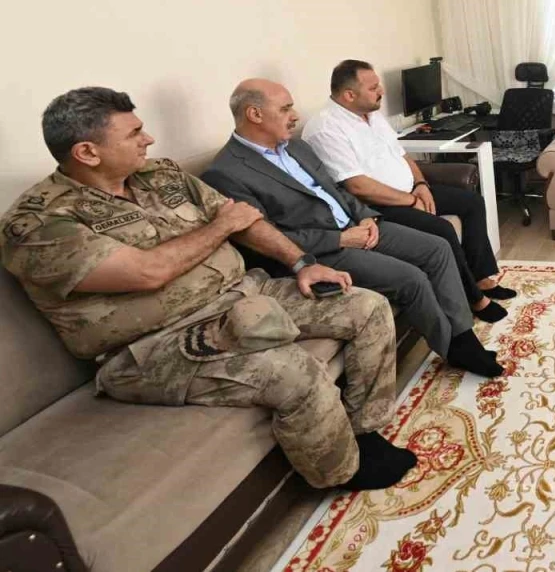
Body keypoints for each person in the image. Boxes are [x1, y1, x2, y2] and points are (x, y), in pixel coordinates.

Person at [1, 87, 414, 491]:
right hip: (153, 346)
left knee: (368, 307)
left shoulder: (160, 174)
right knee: (293, 371)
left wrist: (302, 263)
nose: (149, 139)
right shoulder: (40, 223)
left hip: (241, 293)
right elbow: (147, 273)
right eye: (134, 134)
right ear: (88, 152)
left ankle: (363, 433)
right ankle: (341, 473)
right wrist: (221, 227)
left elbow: (244, 219)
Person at [202, 79, 503, 378]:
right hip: (323, 250)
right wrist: (341, 238)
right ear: (255, 114)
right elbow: (269, 237)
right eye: (285, 109)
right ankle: (454, 348)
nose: (294, 116)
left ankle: (463, 334)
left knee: (437, 248)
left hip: (357, 226)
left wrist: (366, 217)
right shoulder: (226, 173)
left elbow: (337, 190)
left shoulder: (295, 146)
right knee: (411, 278)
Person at [302, 60, 514, 319]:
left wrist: (421, 185)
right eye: (373, 88)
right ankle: (474, 299)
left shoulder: (372, 115)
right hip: (376, 207)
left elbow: (402, 154)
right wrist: (410, 201)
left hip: (408, 192)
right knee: (442, 229)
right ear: (349, 95)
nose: (381, 91)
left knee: (471, 202)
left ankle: (481, 278)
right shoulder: (325, 129)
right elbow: (357, 185)